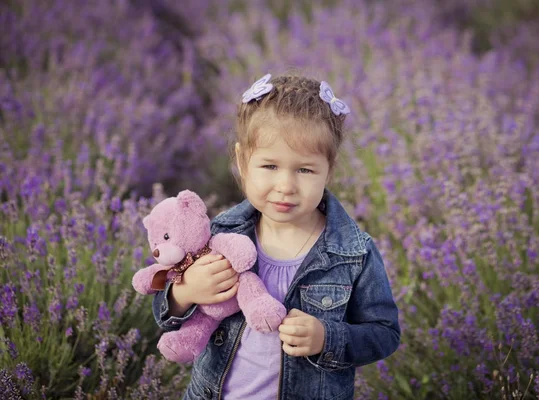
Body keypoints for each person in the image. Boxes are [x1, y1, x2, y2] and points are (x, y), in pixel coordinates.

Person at [152, 73, 400, 399]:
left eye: (305, 170)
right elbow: (164, 313)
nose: (286, 185)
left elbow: (384, 333)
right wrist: (185, 292)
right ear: (242, 161)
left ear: (329, 169)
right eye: (269, 166)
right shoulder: (217, 234)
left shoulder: (353, 253)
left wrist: (329, 337)